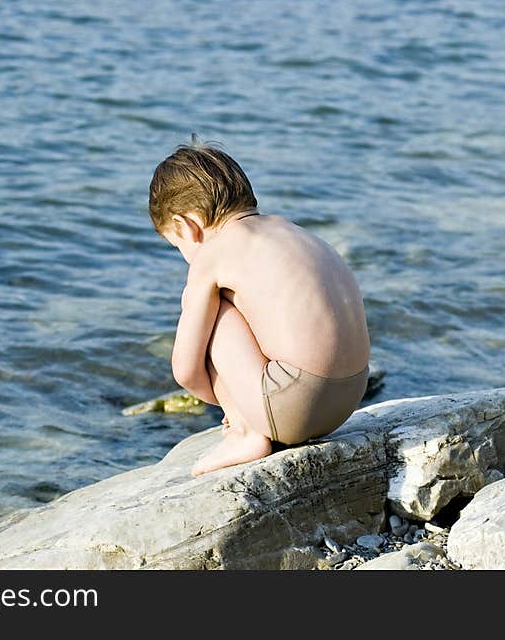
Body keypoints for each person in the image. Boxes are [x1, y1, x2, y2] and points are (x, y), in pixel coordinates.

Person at [149, 137, 370, 477]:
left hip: (296, 405)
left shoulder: (212, 254)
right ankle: (258, 419)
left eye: (175, 244)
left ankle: (245, 433)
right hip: (350, 398)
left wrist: (233, 404)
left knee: (215, 311)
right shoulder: (291, 230)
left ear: (186, 226)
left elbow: (185, 371)